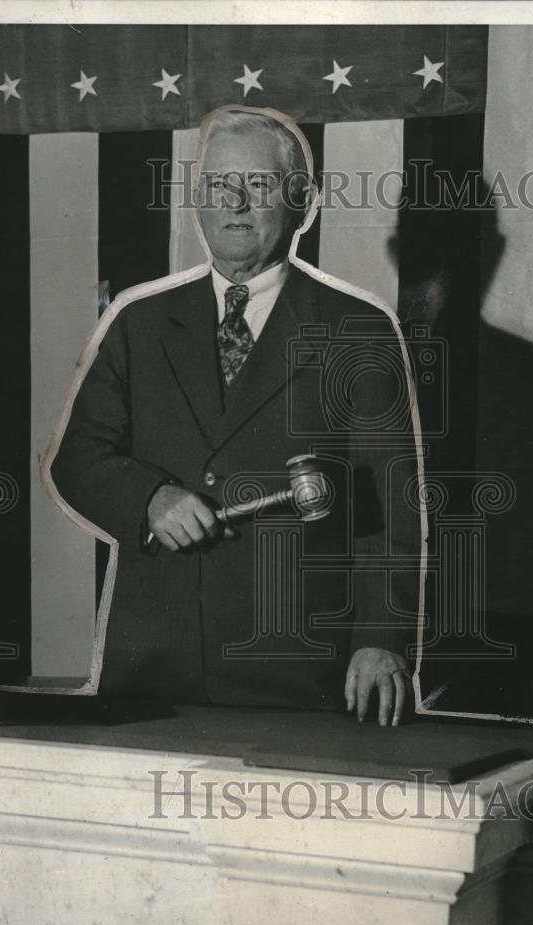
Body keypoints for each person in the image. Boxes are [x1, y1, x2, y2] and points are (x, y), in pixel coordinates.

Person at [48, 107, 423, 726]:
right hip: (151, 666)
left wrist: (381, 637)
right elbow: (76, 460)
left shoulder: (358, 331)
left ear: (301, 202)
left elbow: (395, 503)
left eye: (260, 184)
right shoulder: (138, 324)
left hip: (297, 667)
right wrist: (148, 498)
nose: (237, 202)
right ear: (198, 202)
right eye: (219, 185)